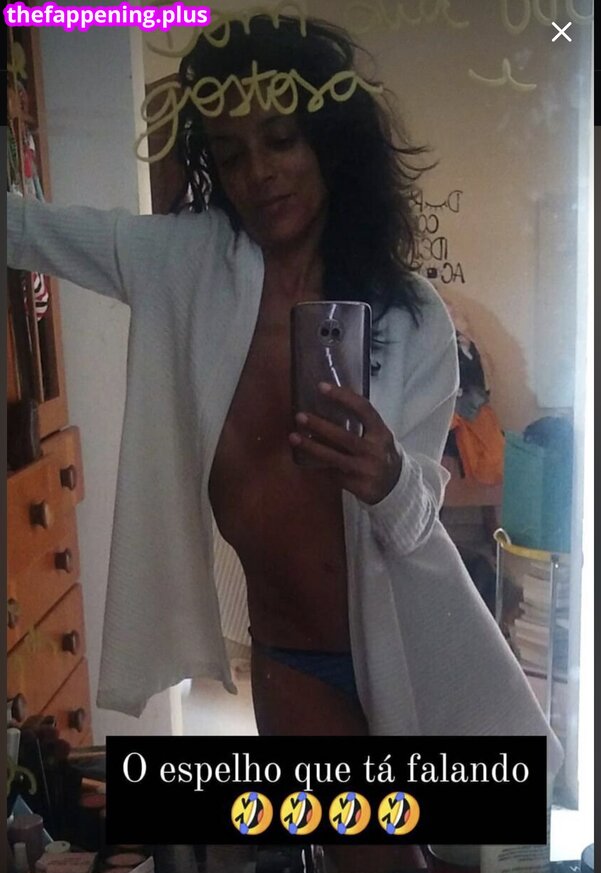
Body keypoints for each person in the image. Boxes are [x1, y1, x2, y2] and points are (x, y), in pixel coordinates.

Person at [6, 15, 562, 779]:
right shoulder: (182, 266)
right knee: (344, 845)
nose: (258, 174)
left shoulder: (409, 317)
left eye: (280, 140)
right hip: (294, 657)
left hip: (410, 638)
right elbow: (26, 229)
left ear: (328, 143)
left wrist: (388, 477)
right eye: (230, 153)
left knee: (455, 851)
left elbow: (416, 517)